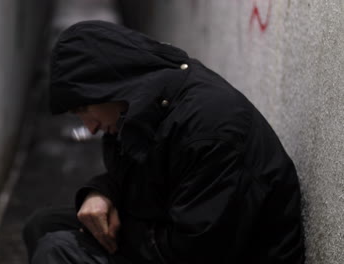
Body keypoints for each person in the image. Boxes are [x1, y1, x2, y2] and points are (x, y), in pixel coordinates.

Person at [22, 20, 305, 264]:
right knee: (44, 225)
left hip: (217, 255)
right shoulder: (141, 104)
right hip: (178, 235)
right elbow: (142, 175)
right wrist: (101, 192)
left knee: (59, 251)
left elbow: (197, 251)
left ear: (105, 84)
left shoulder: (210, 127)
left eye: (84, 110)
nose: (90, 128)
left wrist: (123, 232)